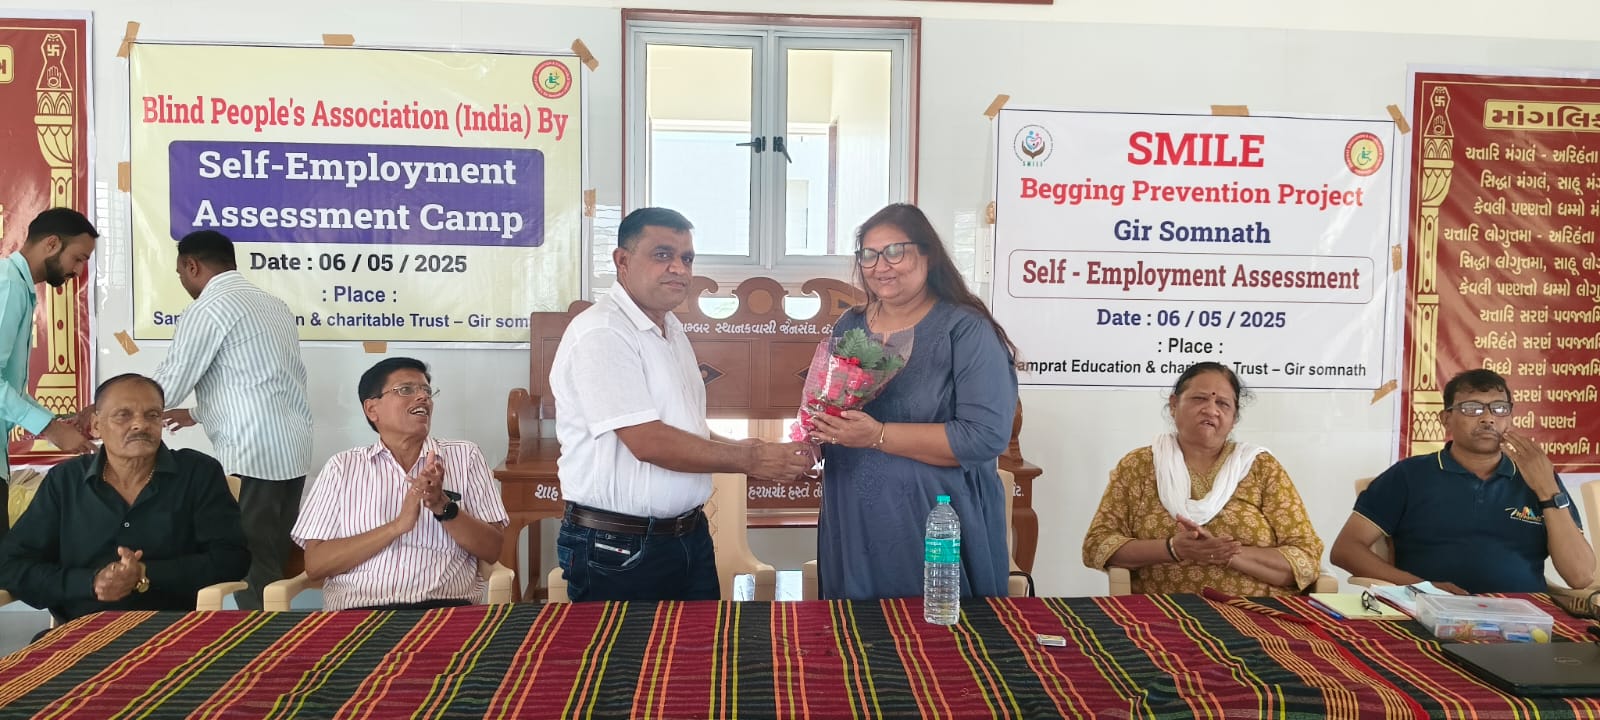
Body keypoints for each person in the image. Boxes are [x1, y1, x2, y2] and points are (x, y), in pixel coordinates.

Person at [550, 207, 813, 602]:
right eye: (662, 255)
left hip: (687, 536)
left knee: (700, 643)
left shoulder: (670, 329)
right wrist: (750, 460)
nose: (678, 268)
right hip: (619, 546)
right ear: (622, 261)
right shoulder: (603, 332)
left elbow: (686, 428)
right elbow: (648, 441)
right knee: (631, 646)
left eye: (686, 258)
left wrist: (749, 448)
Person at [807, 203, 1018, 600]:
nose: (880, 266)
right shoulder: (850, 324)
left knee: (936, 632)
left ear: (928, 254)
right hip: (851, 510)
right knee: (856, 630)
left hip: (935, 518)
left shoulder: (966, 329)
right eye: (869, 254)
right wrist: (815, 432)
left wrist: (878, 436)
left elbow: (985, 437)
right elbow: (829, 400)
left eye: (895, 251)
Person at [0, 373, 249, 623]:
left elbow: (232, 559)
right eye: (123, 415)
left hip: (175, 630)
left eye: (152, 415)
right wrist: (91, 583)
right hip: (80, 630)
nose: (140, 424)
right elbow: (12, 565)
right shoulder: (66, 481)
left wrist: (145, 572)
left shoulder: (197, 473)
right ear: (96, 425)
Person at [152, 230, 313, 611]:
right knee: (275, 560)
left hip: (251, 452)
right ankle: (280, 635)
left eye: (180, 273)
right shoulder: (274, 305)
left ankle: (261, 640)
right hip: (291, 447)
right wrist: (195, 413)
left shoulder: (209, 308)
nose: (183, 282)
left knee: (250, 561)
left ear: (192, 265)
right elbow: (260, 379)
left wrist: (114, 408)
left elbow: (170, 382)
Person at [1331, 369, 1593, 594]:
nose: (1488, 418)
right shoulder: (1409, 475)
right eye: (1472, 408)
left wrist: (1547, 490)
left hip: (1526, 617)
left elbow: (1580, 576)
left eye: (1499, 408)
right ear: (1446, 419)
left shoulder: (1538, 476)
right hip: (1429, 611)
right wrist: (1421, 586)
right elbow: (1346, 549)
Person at [1081, 362, 1323, 596]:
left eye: (1223, 403)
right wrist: (1172, 549)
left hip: (1257, 611)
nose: (1211, 409)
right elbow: (1097, 545)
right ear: (1174, 404)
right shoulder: (1139, 466)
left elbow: (1306, 558)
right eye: (1199, 399)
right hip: (1164, 611)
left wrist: (1227, 553)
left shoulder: (1261, 467)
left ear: (1234, 419)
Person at [291, 358, 507, 611]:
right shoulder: (342, 467)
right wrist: (397, 526)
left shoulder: (465, 456)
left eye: (426, 391)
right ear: (372, 409)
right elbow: (316, 565)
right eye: (406, 390)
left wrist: (443, 506)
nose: (423, 397)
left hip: (445, 609)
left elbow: (492, 549)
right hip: (358, 612)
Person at [0, 208, 96, 541]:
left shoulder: (18, 287)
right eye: (78, 258)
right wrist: (50, 428)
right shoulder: (9, 285)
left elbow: (8, 388)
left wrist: (56, 422)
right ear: (52, 244)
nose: (78, 271)